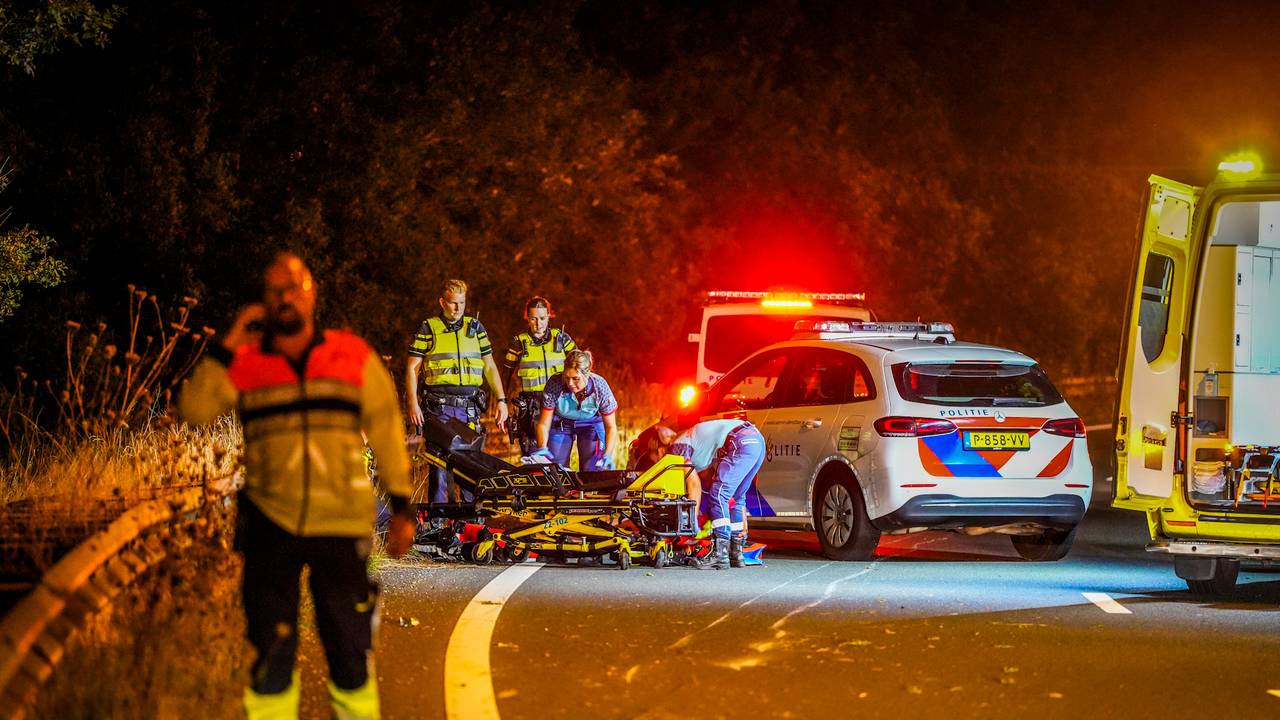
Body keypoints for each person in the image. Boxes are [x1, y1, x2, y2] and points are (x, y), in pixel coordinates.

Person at [178, 252, 415, 719]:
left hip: (340, 523)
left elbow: (388, 433)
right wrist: (229, 340)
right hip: (271, 522)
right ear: (263, 302)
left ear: (312, 294)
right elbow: (194, 409)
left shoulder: (352, 357)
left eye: (294, 287)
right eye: (274, 290)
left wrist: (403, 507)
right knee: (270, 657)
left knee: (349, 653)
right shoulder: (245, 364)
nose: (285, 297)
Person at [405, 279, 509, 504]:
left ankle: (470, 520)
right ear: (442, 302)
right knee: (440, 465)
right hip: (439, 407)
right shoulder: (429, 327)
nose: (458, 308)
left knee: (472, 464)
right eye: (453, 303)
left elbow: (490, 366)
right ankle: (439, 522)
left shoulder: (476, 328)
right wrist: (412, 403)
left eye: (461, 303)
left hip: (469, 407)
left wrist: (501, 400)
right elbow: (413, 368)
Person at [634, 418, 765, 570]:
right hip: (756, 441)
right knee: (735, 497)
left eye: (656, 461)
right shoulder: (695, 443)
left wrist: (691, 523)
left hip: (740, 442)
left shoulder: (677, 447)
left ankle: (720, 554)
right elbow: (706, 483)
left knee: (719, 493)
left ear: (660, 451)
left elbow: (694, 485)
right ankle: (736, 553)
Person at [503, 296, 576, 455]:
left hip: (560, 405)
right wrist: (501, 402)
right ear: (527, 318)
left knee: (560, 460)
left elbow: (581, 367)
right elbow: (506, 375)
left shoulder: (562, 339)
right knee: (535, 460)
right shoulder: (518, 343)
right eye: (533, 318)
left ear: (549, 316)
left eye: (542, 318)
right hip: (532, 408)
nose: (538, 323)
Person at [535, 349, 618, 471]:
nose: (570, 383)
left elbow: (611, 427)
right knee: (556, 470)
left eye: (575, 378)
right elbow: (543, 423)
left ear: (587, 374)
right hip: (562, 424)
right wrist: (542, 447)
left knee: (591, 470)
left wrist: (607, 455)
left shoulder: (600, 386)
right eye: (566, 377)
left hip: (590, 425)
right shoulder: (555, 383)